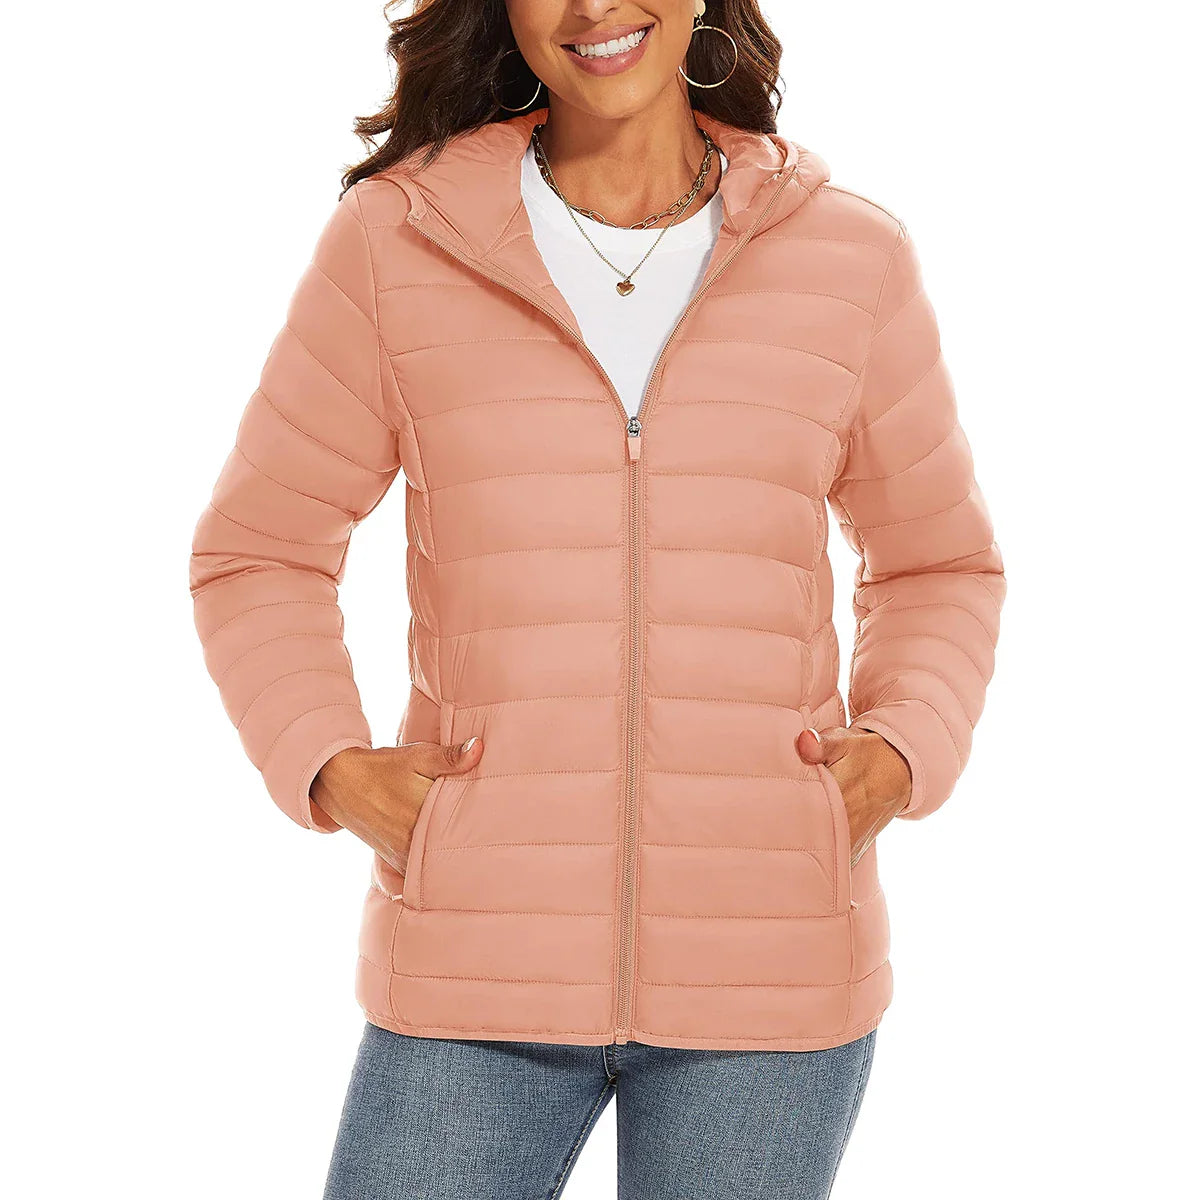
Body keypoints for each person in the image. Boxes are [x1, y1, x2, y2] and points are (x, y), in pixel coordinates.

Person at [189, 2, 1005, 1195]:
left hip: (770, 966)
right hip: (475, 958)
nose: (594, 5)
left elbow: (939, 562)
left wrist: (899, 748)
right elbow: (259, 550)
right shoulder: (398, 241)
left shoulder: (849, 257)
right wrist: (329, 766)